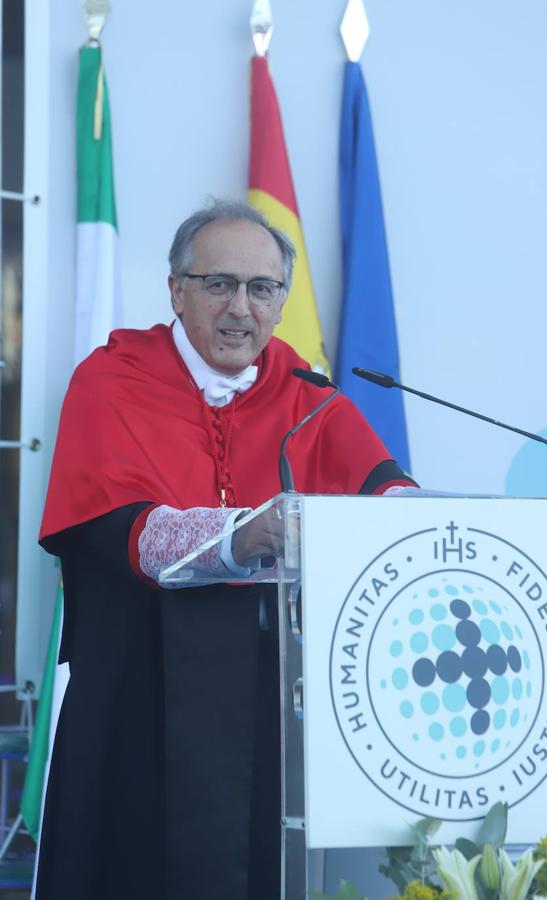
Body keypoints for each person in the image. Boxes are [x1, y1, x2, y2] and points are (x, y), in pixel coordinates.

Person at [36, 200, 415, 900]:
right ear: (176, 290)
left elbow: (388, 494)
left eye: (262, 289)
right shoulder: (111, 379)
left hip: (274, 697)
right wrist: (238, 538)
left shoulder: (305, 390)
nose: (241, 307)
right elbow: (129, 532)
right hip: (142, 693)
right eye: (219, 284)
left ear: (280, 301)